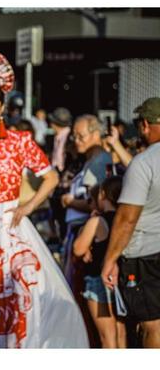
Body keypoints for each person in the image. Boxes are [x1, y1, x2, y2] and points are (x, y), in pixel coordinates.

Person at [0, 50, 87, 348]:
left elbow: (50, 177)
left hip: (11, 223)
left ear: (1, 107)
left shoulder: (18, 141)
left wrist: (27, 206)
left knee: (23, 294)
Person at [102, 97, 160, 348]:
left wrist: (110, 260)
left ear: (146, 124)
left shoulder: (144, 162)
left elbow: (127, 219)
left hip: (146, 255)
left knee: (153, 325)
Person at [73, 176, 126, 348]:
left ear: (102, 194)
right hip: (120, 281)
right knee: (121, 334)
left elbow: (78, 249)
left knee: (107, 338)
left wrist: (85, 227)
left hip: (98, 281)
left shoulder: (97, 221)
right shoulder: (124, 220)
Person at [61, 115, 113, 285]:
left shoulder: (99, 162)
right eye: (74, 136)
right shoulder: (91, 160)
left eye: (80, 136)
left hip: (86, 234)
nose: (76, 141)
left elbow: (96, 202)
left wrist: (70, 202)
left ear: (96, 135)